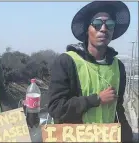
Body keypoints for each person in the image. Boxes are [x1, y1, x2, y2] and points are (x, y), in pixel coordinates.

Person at [47, 1, 133, 142]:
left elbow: (117, 109)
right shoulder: (67, 61)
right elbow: (56, 108)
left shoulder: (118, 67)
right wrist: (97, 99)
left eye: (110, 24)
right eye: (97, 24)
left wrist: (128, 137)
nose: (104, 29)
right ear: (87, 29)